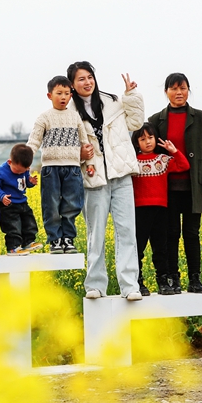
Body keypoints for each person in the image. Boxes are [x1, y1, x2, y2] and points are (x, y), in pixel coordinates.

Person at [67, 61, 144, 301]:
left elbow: (136, 123)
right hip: (94, 178)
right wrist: (79, 155)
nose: (87, 82)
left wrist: (131, 96)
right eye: (81, 79)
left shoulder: (112, 101)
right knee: (95, 233)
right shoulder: (69, 113)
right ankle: (96, 285)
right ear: (72, 84)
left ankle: (130, 285)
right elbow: (65, 147)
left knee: (127, 231)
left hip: (120, 174)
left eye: (89, 77)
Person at [148, 72, 202, 294]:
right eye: (174, 88)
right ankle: (173, 278)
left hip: (193, 186)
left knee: (192, 233)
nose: (179, 92)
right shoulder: (156, 120)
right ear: (166, 91)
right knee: (171, 234)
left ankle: (195, 279)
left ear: (188, 90)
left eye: (183, 88)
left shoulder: (199, 116)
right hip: (167, 187)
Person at [26, 75, 88, 254]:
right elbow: (33, 142)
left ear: (71, 95)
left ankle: (68, 238)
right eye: (59, 93)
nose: (63, 97)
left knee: (71, 204)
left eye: (67, 93)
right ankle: (55, 240)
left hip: (73, 168)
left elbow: (85, 142)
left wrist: (89, 162)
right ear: (49, 95)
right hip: (50, 168)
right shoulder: (44, 118)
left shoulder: (75, 117)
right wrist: (25, 163)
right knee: (51, 205)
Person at [130, 123, 189, 296]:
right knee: (137, 249)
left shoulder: (162, 160)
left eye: (150, 138)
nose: (147, 142)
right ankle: (138, 281)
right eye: (142, 139)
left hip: (160, 210)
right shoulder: (132, 162)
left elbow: (184, 166)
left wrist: (173, 150)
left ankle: (163, 281)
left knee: (160, 248)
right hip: (139, 210)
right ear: (136, 142)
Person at [0, 144, 44, 255]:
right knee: (12, 226)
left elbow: (23, 182)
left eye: (22, 171)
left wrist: (30, 182)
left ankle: (28, 242)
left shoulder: (24, 169)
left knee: (29, 222)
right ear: (10, 162)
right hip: (7, 204)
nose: (19, 173)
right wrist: (1, 196)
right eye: (17, 171)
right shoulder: (0, 172)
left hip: (22, 202)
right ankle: (13, 247)